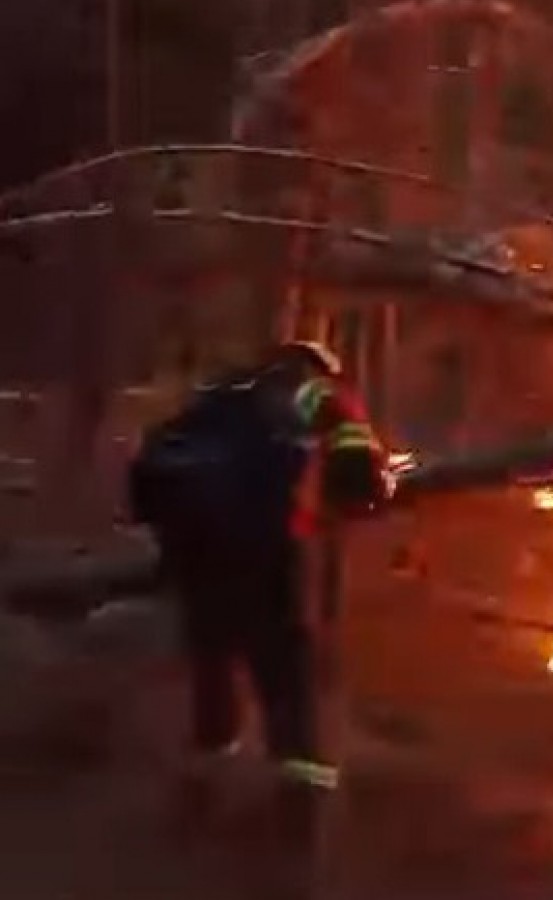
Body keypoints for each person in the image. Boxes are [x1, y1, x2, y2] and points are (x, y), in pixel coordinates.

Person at [127, 338, 391, 839]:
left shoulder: (221, 397)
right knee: (285, 661)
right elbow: (352, 446)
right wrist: (367, 489)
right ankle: (298, 792)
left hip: (197, 550)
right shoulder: (308, 387)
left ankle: (207, 765)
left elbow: (155, 458)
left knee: (212, 651)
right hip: (259, 543)